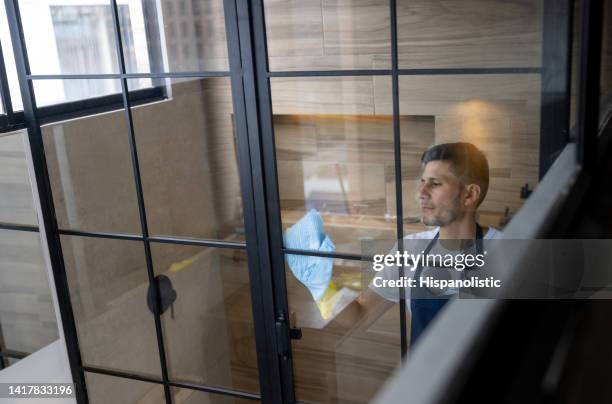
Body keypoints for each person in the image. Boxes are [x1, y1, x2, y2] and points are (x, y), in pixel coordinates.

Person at [359, 142, 503, 345]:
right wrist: (323, 289)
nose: (420, 193)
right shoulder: (408, 250)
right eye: (423, 182)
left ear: (469, 195)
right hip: (424, 376)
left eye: (434, 184)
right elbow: (362, 310)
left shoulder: (508, 253)